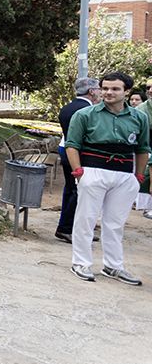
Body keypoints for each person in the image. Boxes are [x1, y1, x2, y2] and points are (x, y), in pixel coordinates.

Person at [64, 71, 146, 285]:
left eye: (115, 89)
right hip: (93, 170)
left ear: (126, 92)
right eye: (105, 88)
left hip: (125, 174)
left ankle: (113, 266)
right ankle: (80, 262)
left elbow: (143, 147)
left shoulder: (139, 118)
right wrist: (79, 173)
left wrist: (138, 176)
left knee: (115, 223)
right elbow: (72, 145)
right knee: (86, 218)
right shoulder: (85, 115)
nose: (109, 92)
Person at [55, 78, 101, 241]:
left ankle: (69, 226)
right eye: (98, 89)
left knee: (70, 189)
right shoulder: (88, 110)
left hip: (64, 148)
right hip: (78, 153)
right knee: (79, 191)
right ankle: (67, 228)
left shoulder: (67, 107)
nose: (100, 92)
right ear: (91, 91)